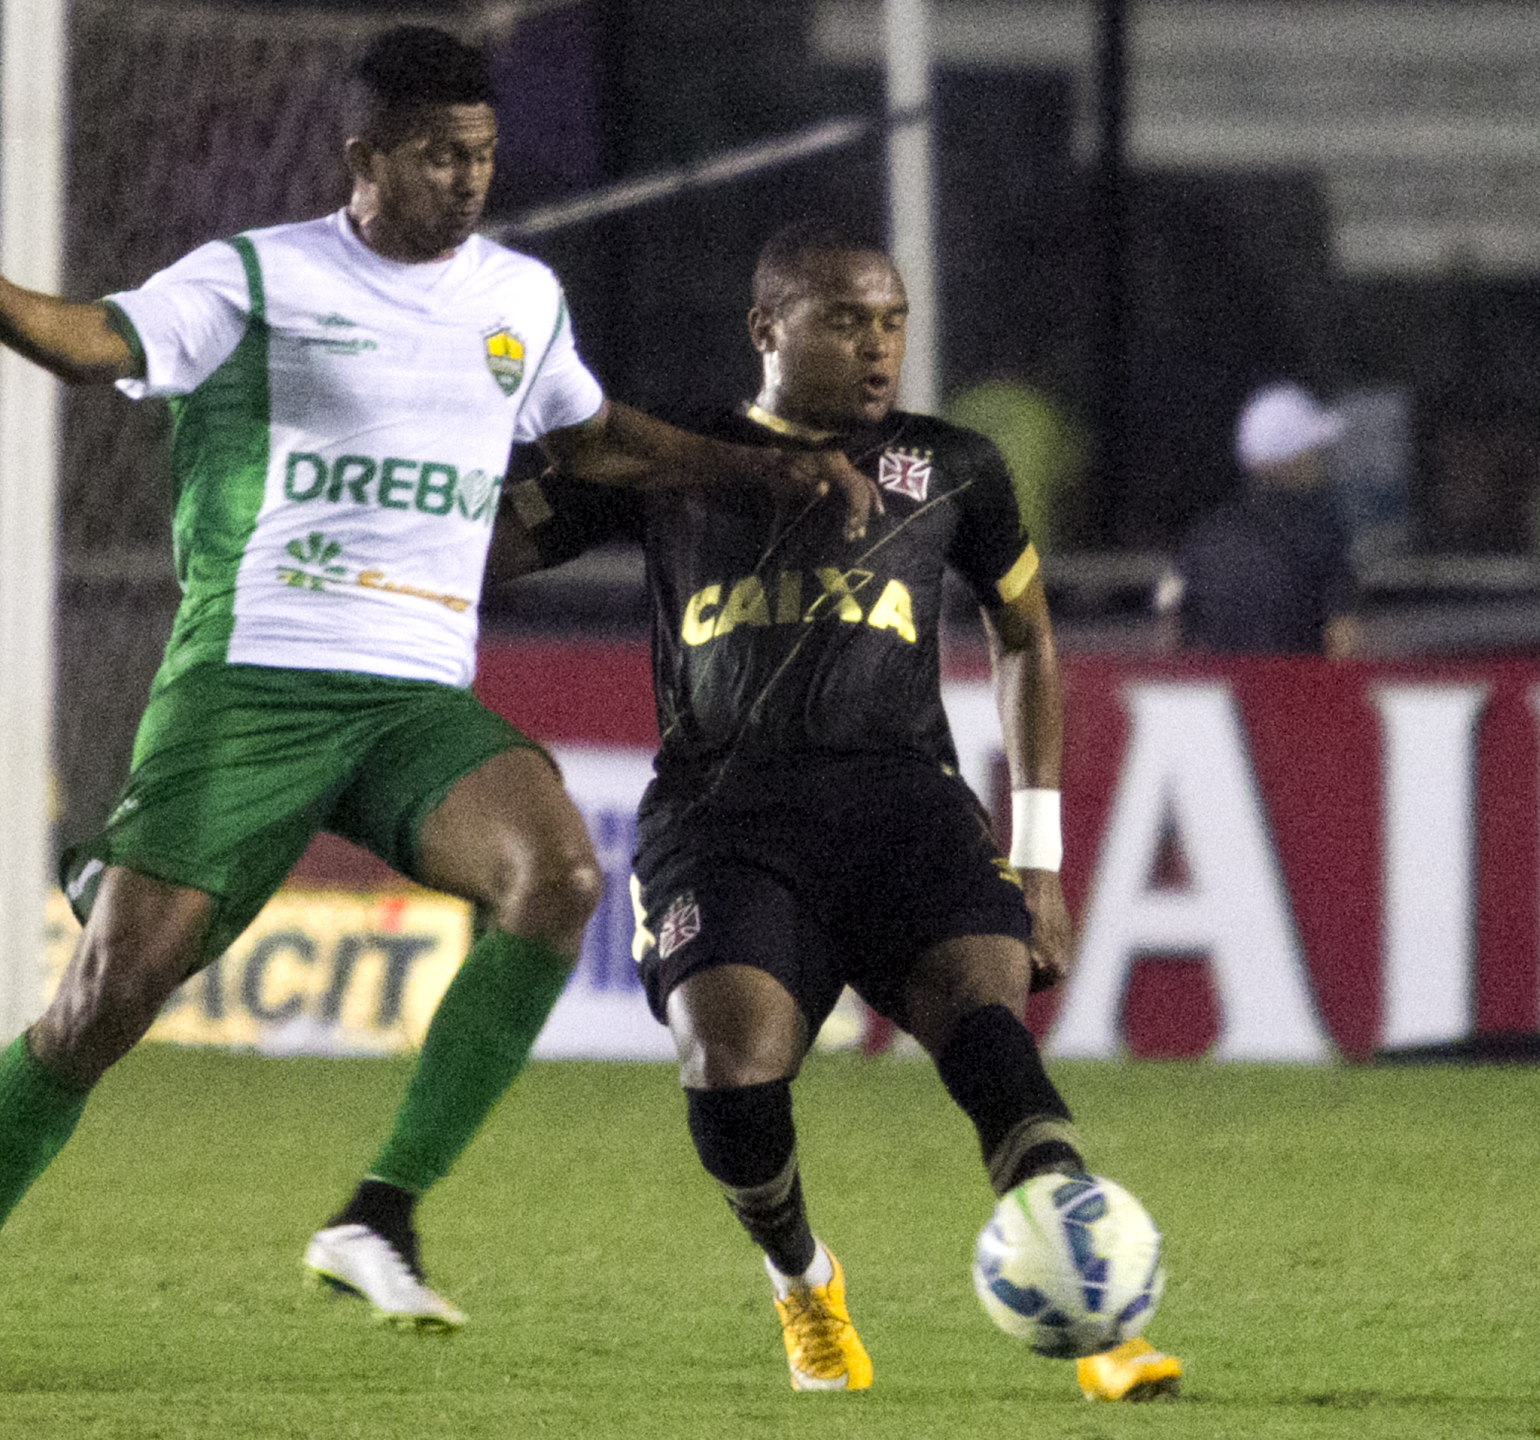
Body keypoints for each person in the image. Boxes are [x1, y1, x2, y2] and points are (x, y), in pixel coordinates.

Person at [0, 28, 874, 1392]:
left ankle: (378, 1214)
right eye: (439, 156)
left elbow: (594, 439)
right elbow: (94, 343)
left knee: (560, 876)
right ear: (367, 159)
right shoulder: (257, 277)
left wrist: (757, 473)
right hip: (254, 685)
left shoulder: (517, 297)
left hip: (412, 701)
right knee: (105, 1001)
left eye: (483, 156)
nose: (468, 179)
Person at [485, 225, 1184, 1401]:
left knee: (987, 1028)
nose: (878, 346)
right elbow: (479, 546)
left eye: (892, 320)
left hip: (905, 809)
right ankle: (803, 1281)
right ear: (768, 329)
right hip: (727, 821)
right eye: (847, 320)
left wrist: (1041, 860)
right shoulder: (675, 457)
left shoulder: (951, 465)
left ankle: (1097, 1321)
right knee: (730, 1069)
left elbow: (1026, 636)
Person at [1156, 382, 1361, 657]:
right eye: (1312, 451)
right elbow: (1343, 640)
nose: (1320, 460)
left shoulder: (1206, 536)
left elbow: (1169, 615)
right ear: (1288, 461)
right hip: (1295, 683)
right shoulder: (1322, 535)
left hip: (1219, 683)